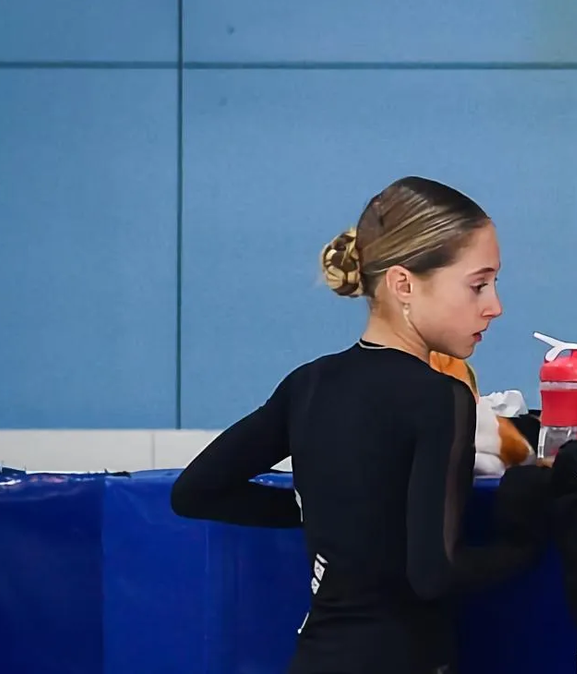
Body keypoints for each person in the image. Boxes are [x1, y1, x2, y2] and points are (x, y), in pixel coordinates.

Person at [170, 176, 543, 674]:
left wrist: (332, 514)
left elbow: (195, 491)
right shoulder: (439, 396)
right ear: (404, 284)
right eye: (478, 284)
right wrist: (525, 540)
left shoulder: (309, 383)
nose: (494, 305)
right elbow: (434, 573)